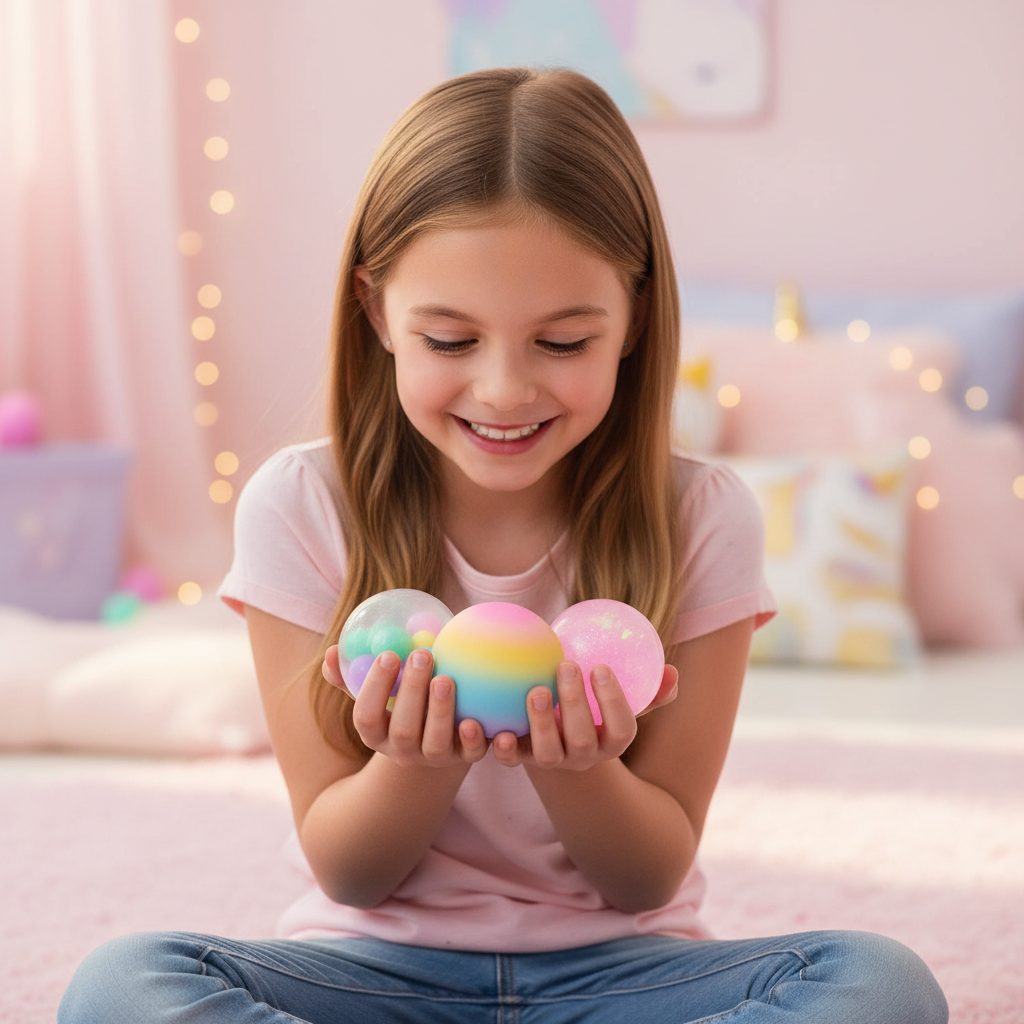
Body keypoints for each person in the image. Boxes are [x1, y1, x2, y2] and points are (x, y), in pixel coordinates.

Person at [59, 67, 947, 1023]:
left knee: (880, 984)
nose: (505, 391)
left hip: (625, 977)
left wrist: (578, 767)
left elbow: (648, 877)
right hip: (372, 974)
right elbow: (350, 873)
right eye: (450, 340)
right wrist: (418, 760)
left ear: (635, 318)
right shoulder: (302, 505)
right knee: (121, 984)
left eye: (562, 344)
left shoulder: (701, 515)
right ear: (376, 311)